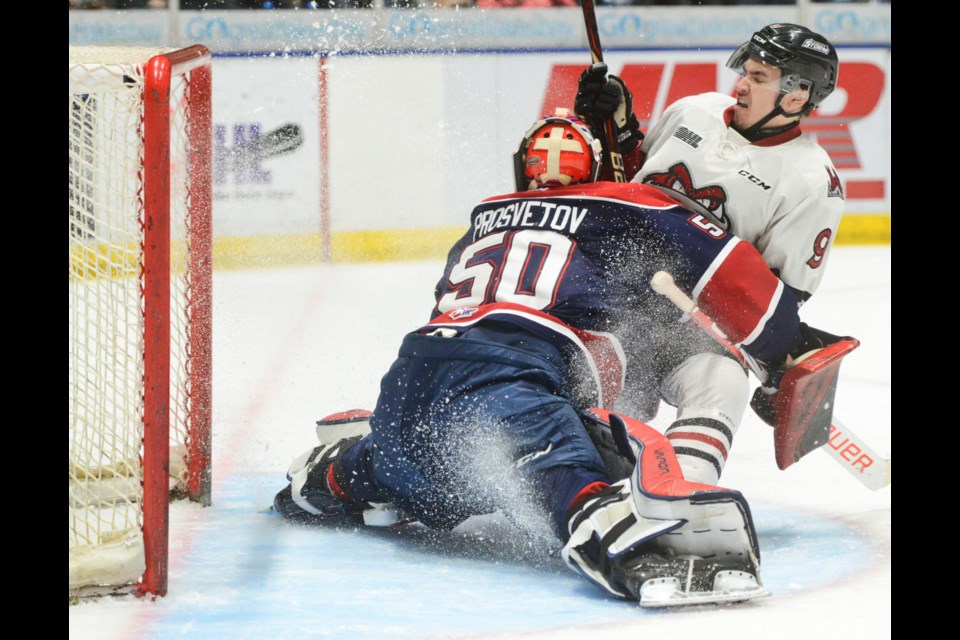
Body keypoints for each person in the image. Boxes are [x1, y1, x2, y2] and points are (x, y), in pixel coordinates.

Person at [272, 109, 847, 606]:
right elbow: (737, 279)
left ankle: (327, 473)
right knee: (579, 493)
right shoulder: (631, 202)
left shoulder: (483, 217)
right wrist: (782, 348)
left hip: (412, 376)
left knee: (403, 470)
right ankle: (659, 509)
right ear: (599, 169)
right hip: (512, 386)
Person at [572, 23, 845, 485]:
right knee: (587, 424)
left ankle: (678, 494)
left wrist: (773, 350)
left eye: (759, 78)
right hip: (606, 302)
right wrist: (613, 128)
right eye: (747, 71)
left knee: (723, 382)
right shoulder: (693, 111)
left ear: (797, 96)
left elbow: (780, 298)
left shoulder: (812, 182)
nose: (740, 83)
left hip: (693, 331)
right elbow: (625, 177)